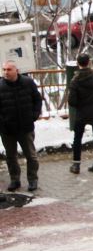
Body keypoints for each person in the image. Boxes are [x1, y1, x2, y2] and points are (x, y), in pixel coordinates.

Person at [0, 60, 42, 191]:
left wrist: (34, 115)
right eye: (4, 70)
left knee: (31, 155)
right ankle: (15, 179)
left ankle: (33, 179)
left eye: (9, 69)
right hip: (7, 129)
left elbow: (37, 99)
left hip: (25, 127)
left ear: (16, 70)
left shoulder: (27, 82)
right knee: (11, 156)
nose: (6, 72)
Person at [68, 54, 93, 174]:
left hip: (82, 113)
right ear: (89, 62)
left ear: (78, 64)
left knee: (77, 138)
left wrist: (80, 103)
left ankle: (76, 165)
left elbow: (71, 101)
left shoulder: (75, 80)